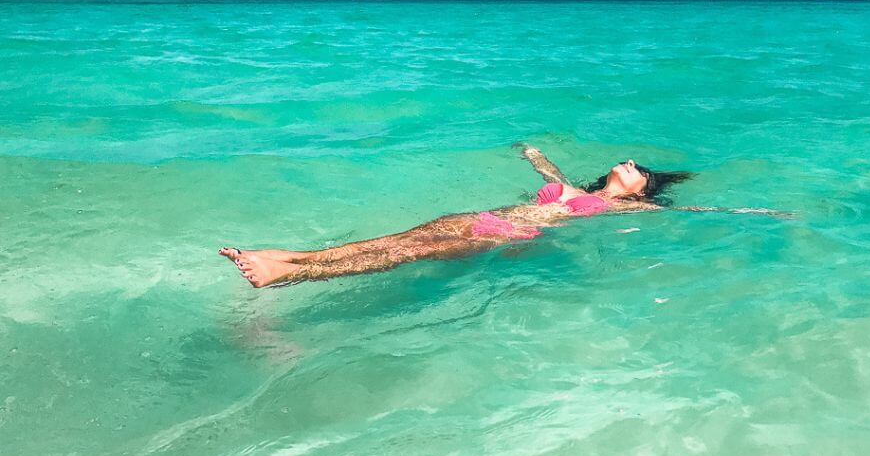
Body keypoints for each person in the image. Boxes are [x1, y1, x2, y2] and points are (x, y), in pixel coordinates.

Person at [219, 144, 787, 288]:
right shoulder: (566, 188)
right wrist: (531, 151)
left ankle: (289, 272)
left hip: (504, 233)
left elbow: (692, 212)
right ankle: (290, 256)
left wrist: (760, 212)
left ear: (640, 193)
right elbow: (547, 171)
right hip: (477, 216)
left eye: (639, 169)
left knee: (399, 255)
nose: (631, 162)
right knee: (389, 239)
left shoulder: (614, 210)